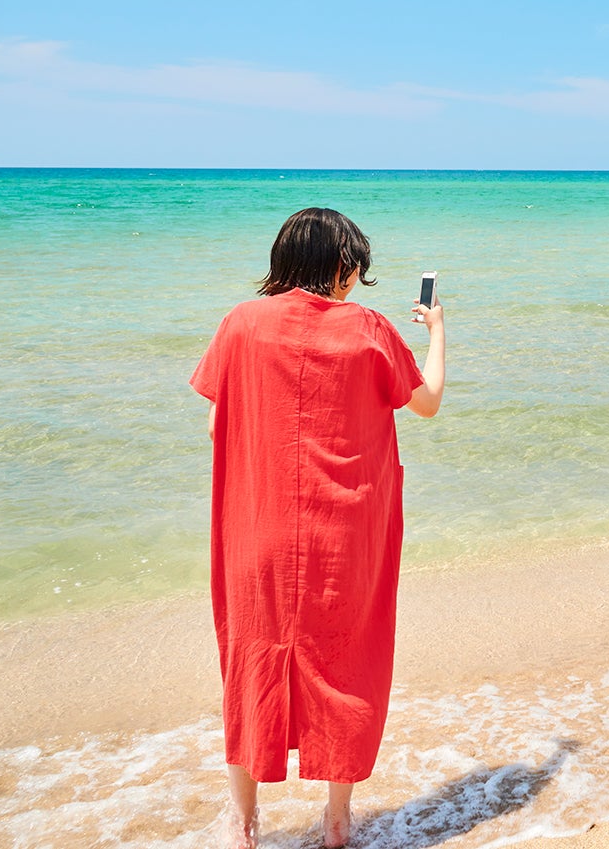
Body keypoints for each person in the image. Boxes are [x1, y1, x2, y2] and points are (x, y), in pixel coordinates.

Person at [190, 207, 446, 849]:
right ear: (340, 265)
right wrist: (436, 329)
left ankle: (243, 824)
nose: (357, 279)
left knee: (251, 656)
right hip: (345, 536)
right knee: (346, 660)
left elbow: (220, 425)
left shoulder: (242, 324)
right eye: (355, 266)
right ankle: (336, 821)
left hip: (260, 530)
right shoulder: (371, 329)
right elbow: (430, 403)